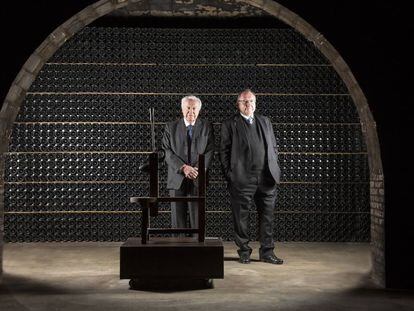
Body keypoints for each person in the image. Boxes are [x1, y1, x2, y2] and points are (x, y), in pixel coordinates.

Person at [220, 89, 283, 264]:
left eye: (251, 101)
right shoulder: (230, 124)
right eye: (244, 102)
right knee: (241, 218)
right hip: (241, 179)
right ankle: (244, 251)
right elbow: (223, 152)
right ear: (238, 104)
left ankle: (267, 252)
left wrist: (274, 165)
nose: (249, 105)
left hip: (267, 177)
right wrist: (230, 174)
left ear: (255, 103)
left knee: (267, 217)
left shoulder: (265, 121)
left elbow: (274, 147)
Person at [162, 95, 214, 231]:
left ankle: (197, 249)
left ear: (199, 110)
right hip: (177, 178)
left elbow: (209, 150)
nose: (191, 112)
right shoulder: (170, 127)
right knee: (177, 221)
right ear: (182, 109)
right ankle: (178, 250)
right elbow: (167, 152)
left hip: (197, 177)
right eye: (188, 108)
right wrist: (183, 167)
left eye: (194, 108)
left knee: (197, 220)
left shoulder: (206, 127)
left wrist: (197, 170)